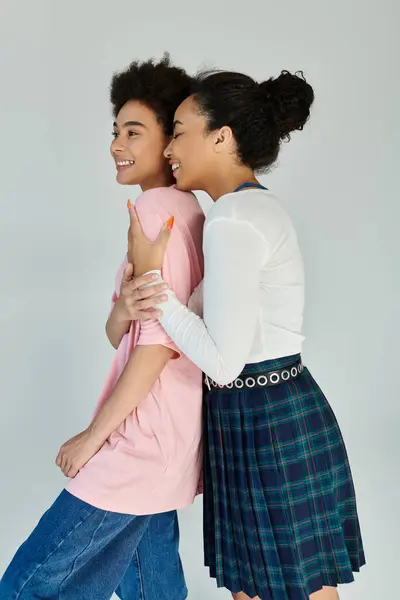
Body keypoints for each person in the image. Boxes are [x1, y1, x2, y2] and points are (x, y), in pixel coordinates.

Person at [126, 69, 366, 600]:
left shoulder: (233, 218)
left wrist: (152, 286)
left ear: (222, 136)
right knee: (285, 587)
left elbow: (223, 361)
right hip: (270, 410)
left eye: (181, 131)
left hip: (265, 420)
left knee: (283, 590)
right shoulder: (249, 207)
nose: (170, 149)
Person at [0, 55, 205, 600]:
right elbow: (125, 332)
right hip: (170, 438)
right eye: (115, 131)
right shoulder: (180, 211)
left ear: (170, 141)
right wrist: (122, 311)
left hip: (140, 442)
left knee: (25, 586)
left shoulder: (158, 211)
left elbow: (157, 349)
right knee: (153, 589)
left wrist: (93, 438)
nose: (117, 144)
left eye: (134, 131)